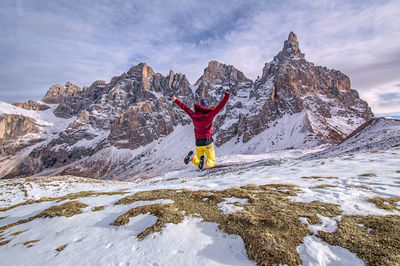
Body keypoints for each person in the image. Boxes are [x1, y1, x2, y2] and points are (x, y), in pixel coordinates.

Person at [172, 92, 230, 169]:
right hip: (208, 142)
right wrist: (226, 96)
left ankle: (192, 157)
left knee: (199, 162)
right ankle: (205, 161)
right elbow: (220, 107)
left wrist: (176, 100)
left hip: (198, 143)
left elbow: (185, 108)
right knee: (212, 162)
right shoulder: (209, 115)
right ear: (206, 108)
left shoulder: (193, 115)